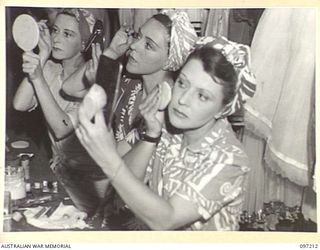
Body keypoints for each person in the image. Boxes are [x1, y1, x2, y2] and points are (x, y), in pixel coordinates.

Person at [75, 36, 257, 230]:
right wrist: (151, 135)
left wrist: (108, 158)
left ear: (223, 109)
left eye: (202, 96)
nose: (183, 100)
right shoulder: (170, 130)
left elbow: (167, 219)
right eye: (182, 83)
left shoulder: (229, 158)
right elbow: (118, 189)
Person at [13, 8, 109, 216]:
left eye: (67, 34)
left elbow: (61, 128)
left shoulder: (89, 79)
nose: (56, 38)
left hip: (87, 184)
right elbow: (19, 104)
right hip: (58, 172)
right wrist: (43, 55)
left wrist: (38, 77)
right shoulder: (51, 69)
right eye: (55, 30)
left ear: (84, 44)